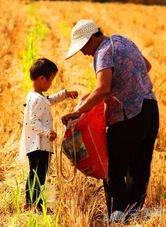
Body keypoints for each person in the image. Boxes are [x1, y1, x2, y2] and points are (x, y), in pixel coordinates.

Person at [62, 19, 159, 222]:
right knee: (140, 166)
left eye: (83, 47)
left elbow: (103, 89)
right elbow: (146, 66)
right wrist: (126, 84)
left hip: (127, 115)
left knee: (114, 167)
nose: (83, 52)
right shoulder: (123, 41)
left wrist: (78, 111)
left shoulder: (103, 52)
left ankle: (117, 216)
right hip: (150, 108)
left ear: (92, 38)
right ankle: (134, 214)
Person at [19, 58, 78, 212]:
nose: (51, 83)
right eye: (50, 80)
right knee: (37, 173)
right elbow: (33, 121)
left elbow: (49, 100)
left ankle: (33, 203)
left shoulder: (37, 96)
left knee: (38, 173)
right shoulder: (36, 99)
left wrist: (65, 94)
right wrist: (47, 132)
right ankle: (33, 203)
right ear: (41, 78)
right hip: (37, 144)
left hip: (38, 143)